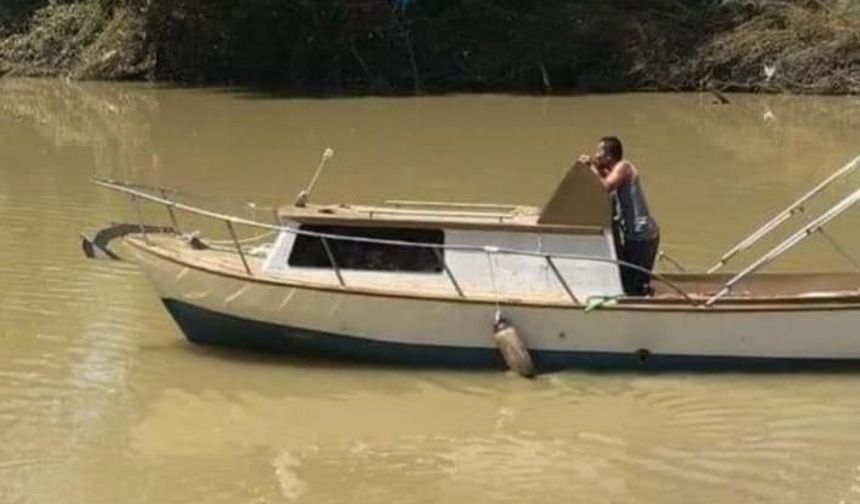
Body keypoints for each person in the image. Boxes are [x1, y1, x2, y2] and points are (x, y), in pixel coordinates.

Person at [580, 137, 660, 296]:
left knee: (633, 285)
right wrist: (595, 168)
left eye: (599, 152)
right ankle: (643, 293)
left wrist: (591, 167)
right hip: (636, 234)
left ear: (609, 156)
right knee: (630, 277)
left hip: (641, 235)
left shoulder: (623, 167)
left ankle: (640, 307)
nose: (596, 156)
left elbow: (605, 187)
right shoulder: (614, 170)